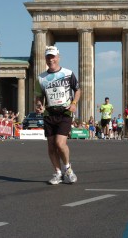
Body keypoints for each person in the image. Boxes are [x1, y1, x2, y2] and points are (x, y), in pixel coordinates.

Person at [35, 45, 81, 185]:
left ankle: (68, 169)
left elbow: (78, 90)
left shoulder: (68, 73)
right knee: (51, 147)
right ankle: (57, 173)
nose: (51, 59)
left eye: (53, 56)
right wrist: (38, 105)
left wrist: (74, 103)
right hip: (49, 114)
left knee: (60, 144)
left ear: (58, 57)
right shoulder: (41, 78)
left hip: (64, 113)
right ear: (45, 59)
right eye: (48, 57)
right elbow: (38, 96)